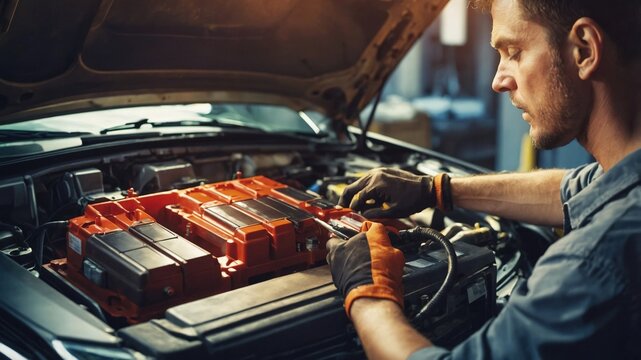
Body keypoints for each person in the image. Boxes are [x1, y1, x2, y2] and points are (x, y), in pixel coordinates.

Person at [326, 0, 641, 358]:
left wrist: (367, 293)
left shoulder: (595, 262)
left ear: (584, 49)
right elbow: (570, 190)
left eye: (513, 52)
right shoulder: (625, 175)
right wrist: (434, 189)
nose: (498, 80)